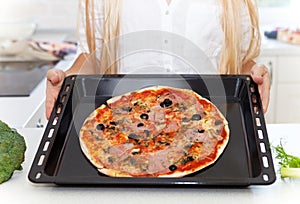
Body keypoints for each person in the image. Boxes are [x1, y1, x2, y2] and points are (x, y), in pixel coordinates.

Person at [46, 0, 270, 119]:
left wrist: (254, 75)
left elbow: (241, 59)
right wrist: (67, 80)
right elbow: (92, 56)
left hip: (206, 126)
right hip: (126, 131)